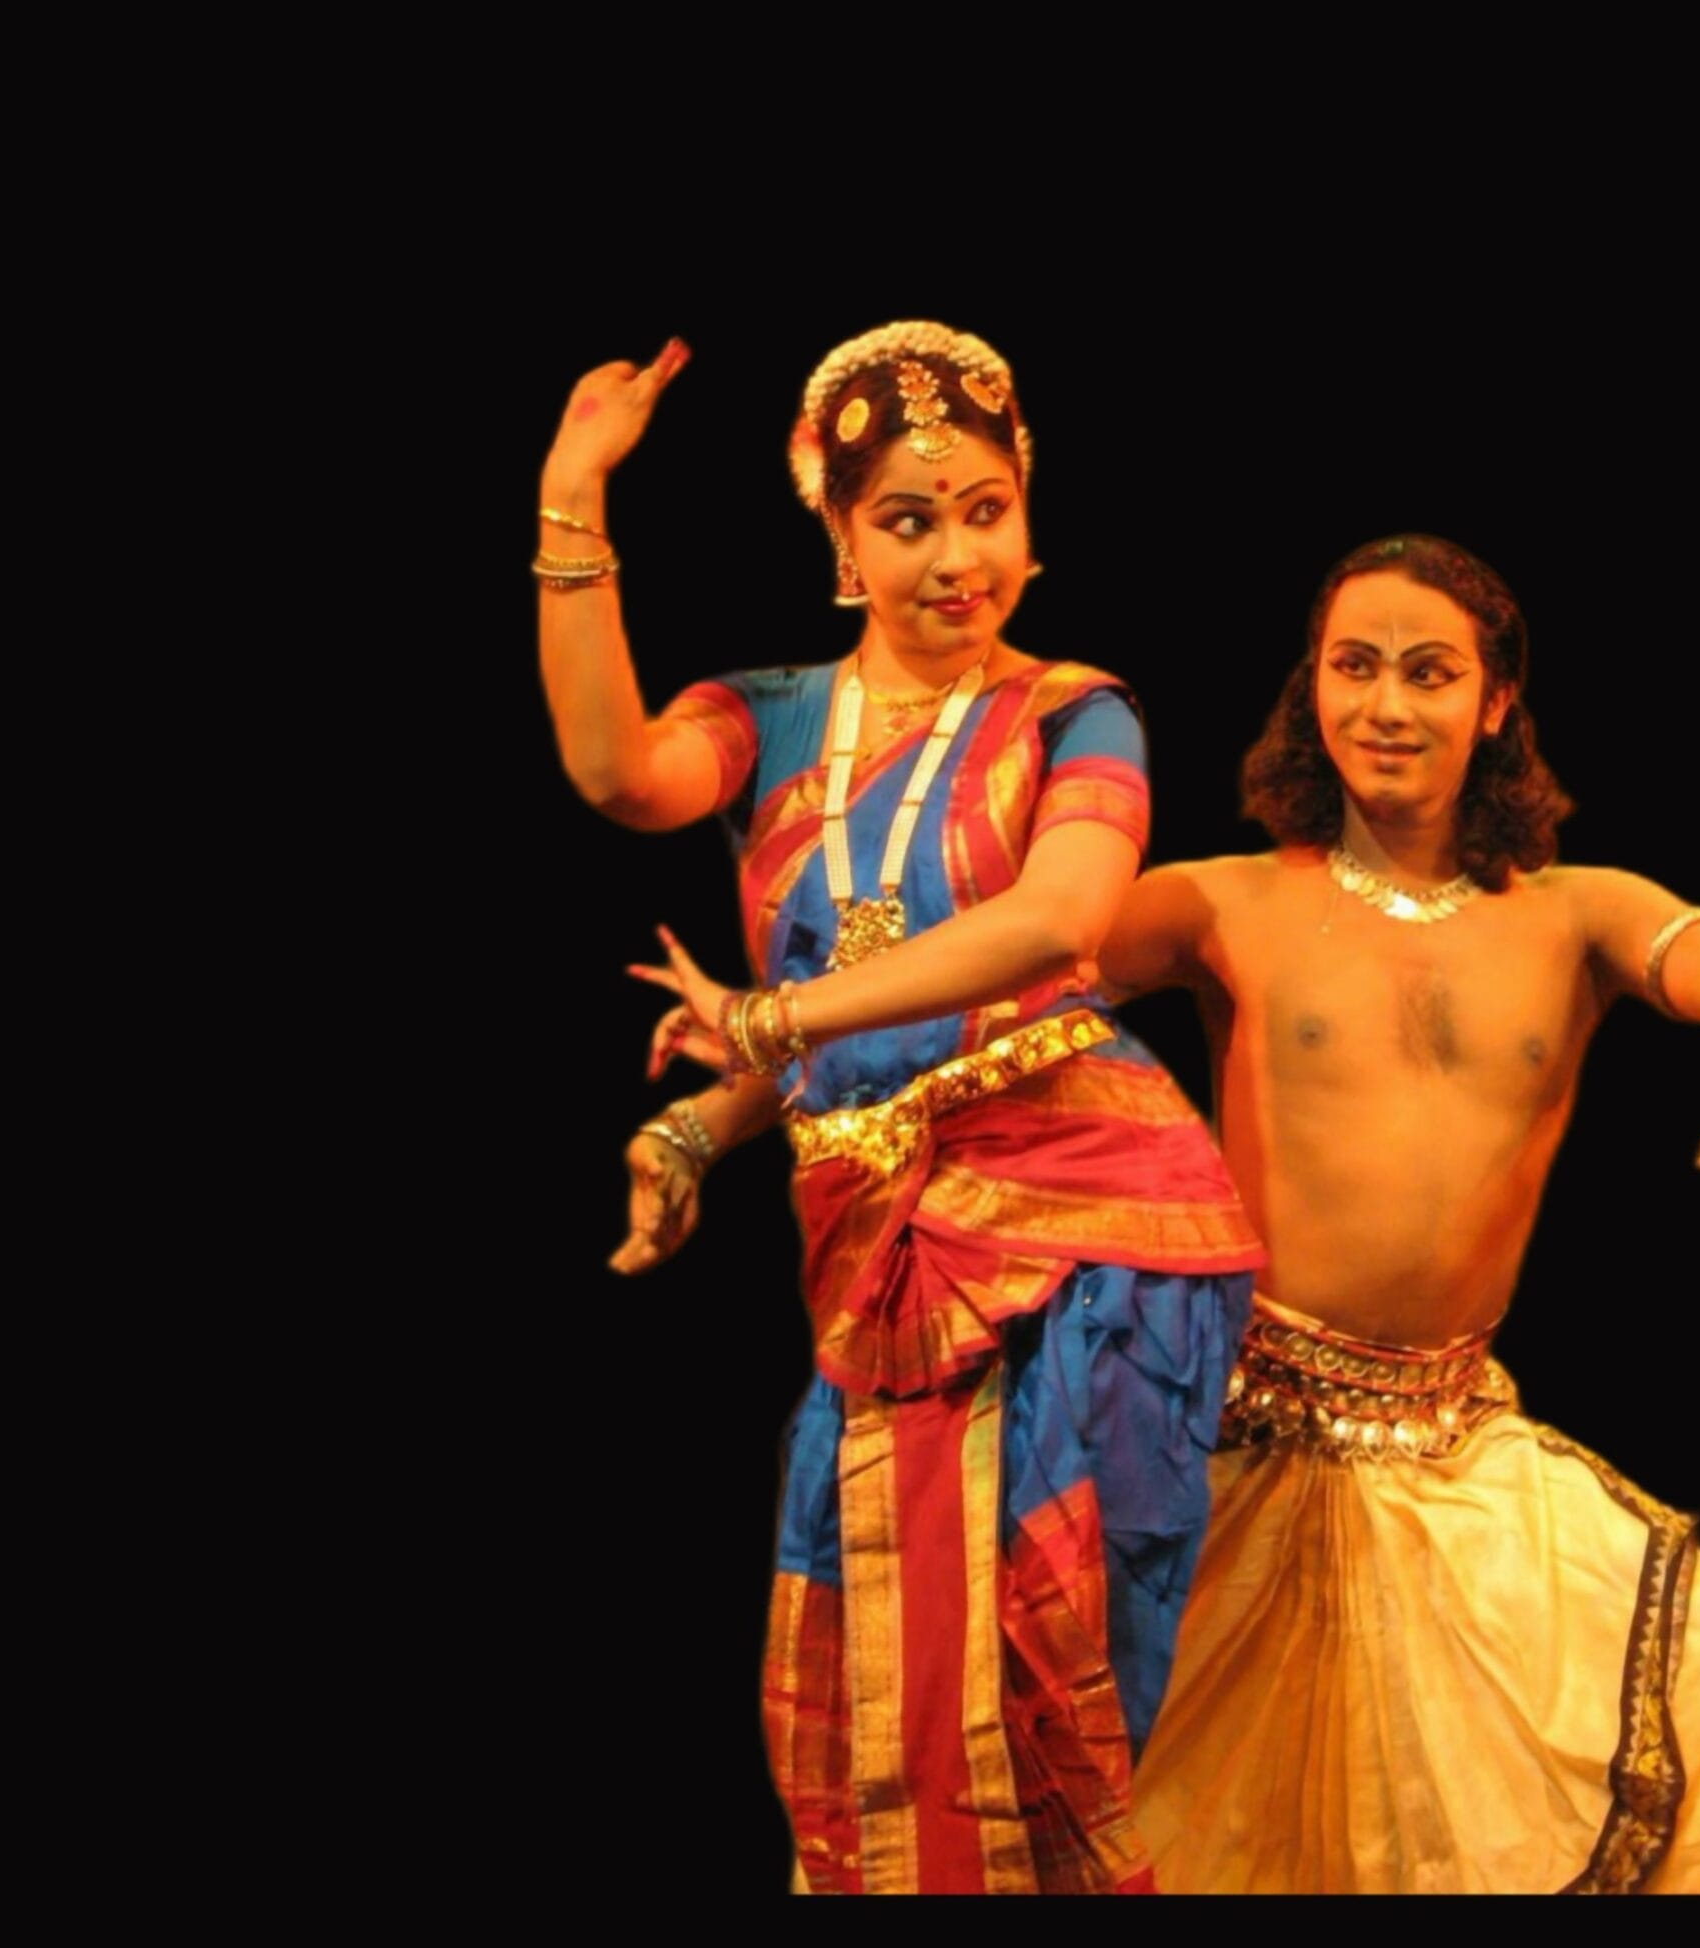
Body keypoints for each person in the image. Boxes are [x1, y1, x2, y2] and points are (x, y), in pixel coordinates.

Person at [535, 321, 1264, 1894]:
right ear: (842, 540)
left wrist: (773, 1018)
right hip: (875, 1257)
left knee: (1053, 1682)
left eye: (987, 510)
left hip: (1092, 1245)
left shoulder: (1079, 712)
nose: (957, 557)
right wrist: (573, 496)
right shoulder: (767, 718)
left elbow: (1060, 923)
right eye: (910, 520)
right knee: (881, 1676)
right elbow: (616, 774)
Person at [1099, 534, 1700, 1894]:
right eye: (1354, 668)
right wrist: (759, 1074)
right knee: (1204, 1828)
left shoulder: (1580, 917)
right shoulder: (1220, 902)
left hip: (1453, 1452)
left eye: (1429, 673)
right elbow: (995, 988)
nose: (1386, 705)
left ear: (1495, 703)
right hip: (1238, 1440)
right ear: (1312, 687)